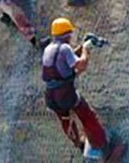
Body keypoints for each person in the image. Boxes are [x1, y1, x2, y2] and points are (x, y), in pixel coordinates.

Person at [42, 17, 110, 155]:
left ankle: (79, 144)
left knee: (65, 119)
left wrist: (81, 46)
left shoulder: (49, 49)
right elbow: (81, 65)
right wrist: (86, 48)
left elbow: (65, 59)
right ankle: (102, 145)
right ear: (66, 34)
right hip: (65, 94)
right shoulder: (65, 48)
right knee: (87, 115)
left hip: (50, 96)